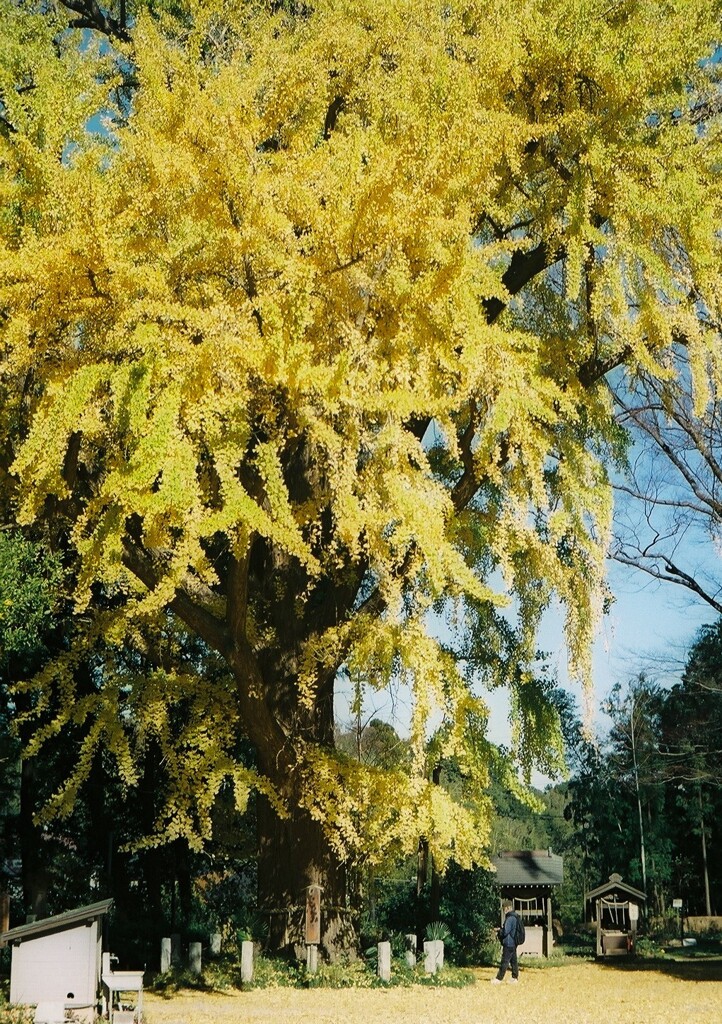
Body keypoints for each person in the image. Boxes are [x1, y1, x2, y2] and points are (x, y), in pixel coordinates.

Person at [491, 901, 520, 984]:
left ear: (508, 908)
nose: (503, 910)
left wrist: (499, 930)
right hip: (513, 943)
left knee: (505, 961)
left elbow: (505, 931)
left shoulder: (510, 918)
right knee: (514, 961)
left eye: (504, 908)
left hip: (508, 942)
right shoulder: (515, 917)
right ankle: (515, 977)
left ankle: (498, 979)